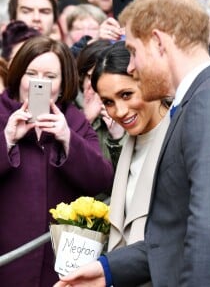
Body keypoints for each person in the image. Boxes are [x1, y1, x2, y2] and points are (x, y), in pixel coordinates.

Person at [54, 0, 210, 286]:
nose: (130, 67)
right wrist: (108, 269)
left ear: (157, 42)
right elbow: (177, 232)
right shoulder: (200, 100)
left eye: (132, 51)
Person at [0, 35, 114, 286]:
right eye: (31, 73)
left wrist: (68, 138)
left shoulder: (74, 121)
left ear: (63, 86)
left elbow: (102, 179)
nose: (39, 82)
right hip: (7, 262)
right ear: (18, 77)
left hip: (58, 266)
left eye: (50, 77)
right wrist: (7, 139)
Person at [91, 40, 170, 286]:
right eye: (108, 102)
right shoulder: (129, 145)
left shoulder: (181, 138)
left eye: (126, 94)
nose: (120, 111)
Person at [76, 39, 125, 170]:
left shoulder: (126, 111)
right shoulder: (68, 109)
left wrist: (118, 139)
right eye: (91, 77)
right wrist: (85, 120)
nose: (98, 86)